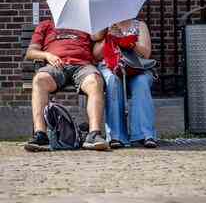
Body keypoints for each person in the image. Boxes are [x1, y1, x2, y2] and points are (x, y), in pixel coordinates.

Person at [24, 19, 109, 151]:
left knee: (95, 81)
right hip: (56, 66)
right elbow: (31, 52)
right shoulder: (46, 25)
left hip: (83, 66)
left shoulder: (85, 23)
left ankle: (94, 134)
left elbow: (97, 37)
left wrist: (106, 24)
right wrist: (47, 55)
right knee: (39, 80)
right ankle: (41, 135)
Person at [93, 19, 157, 149]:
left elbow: (146, 53)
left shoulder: (140, 25)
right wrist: (108, 36)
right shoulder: (105, 26)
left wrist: (128, 41)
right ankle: (116, 136)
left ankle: (144, 135)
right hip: (111, 67)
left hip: (137, 67)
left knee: (141, 82)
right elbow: (96, 55)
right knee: (113, 81)